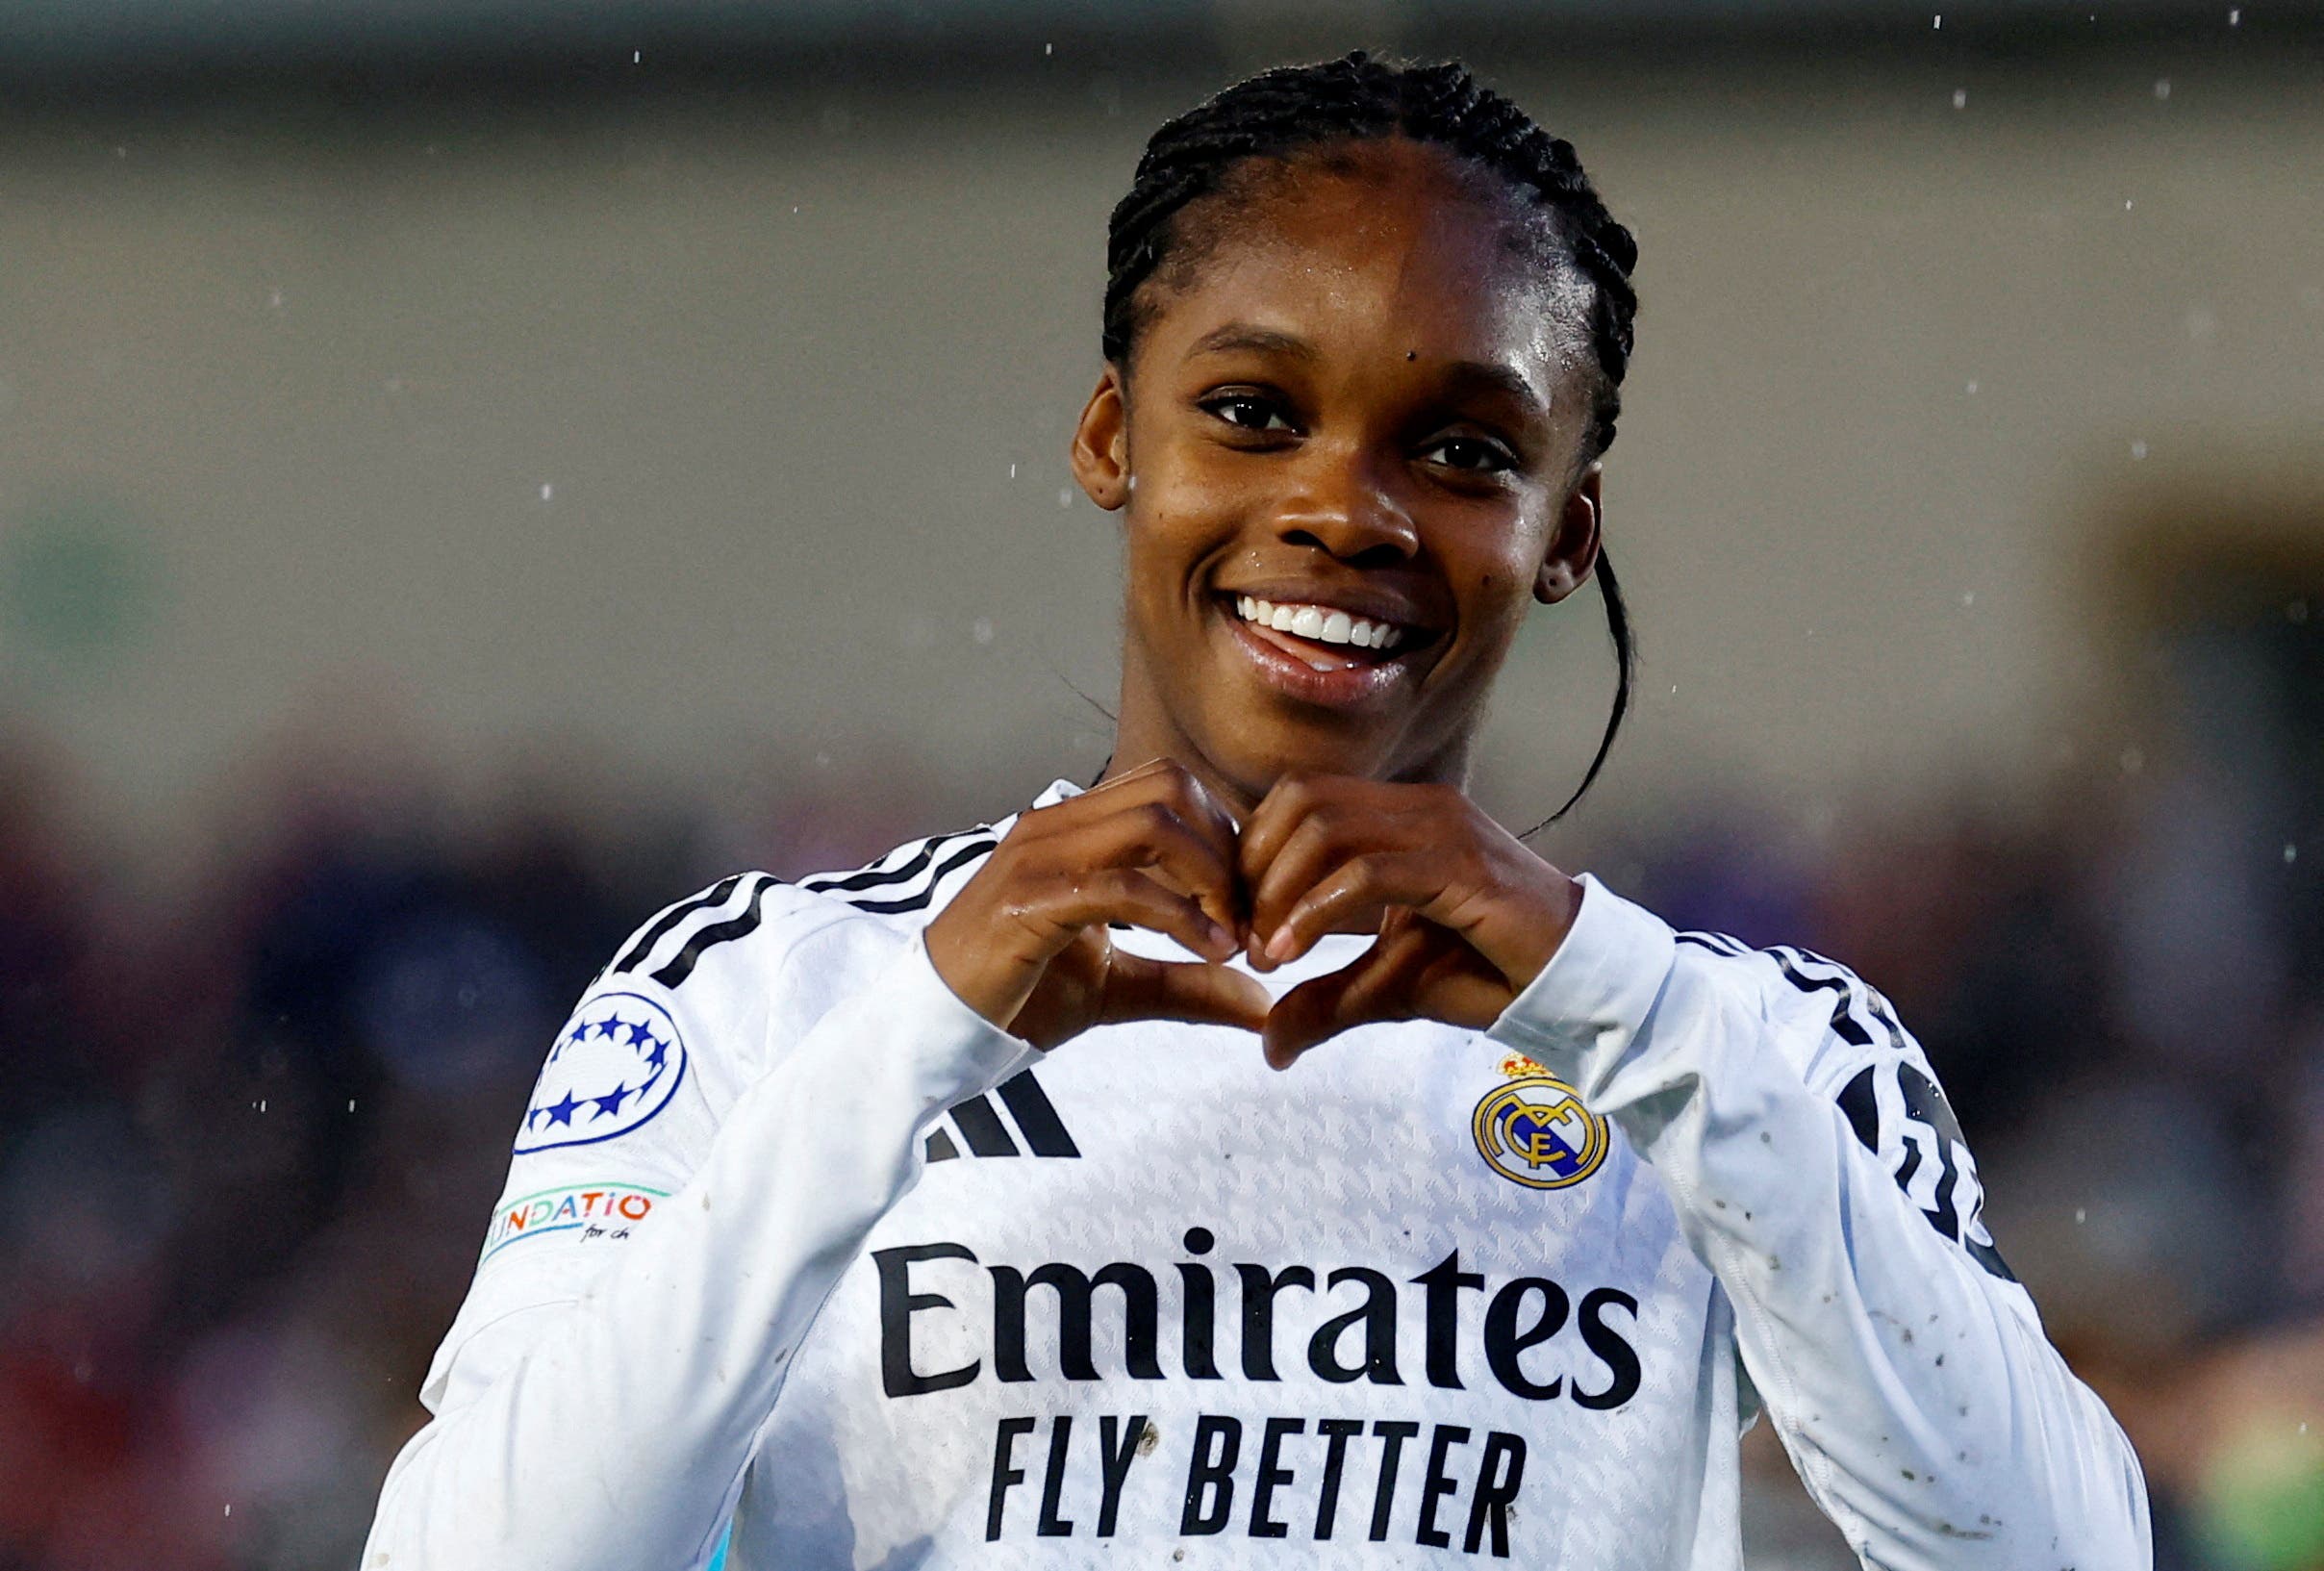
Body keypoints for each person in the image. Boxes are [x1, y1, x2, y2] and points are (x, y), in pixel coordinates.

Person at [360, 52, 2151, 1569]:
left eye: (1462, 450)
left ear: (1565, 534)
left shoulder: (1750, 1047)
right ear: (1111, 439)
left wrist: (1634, 1011)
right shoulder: (768, 996)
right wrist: (915, 1041)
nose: (1344, 511)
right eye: (1251, 410)